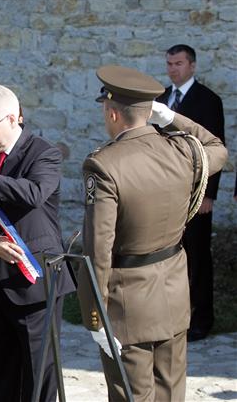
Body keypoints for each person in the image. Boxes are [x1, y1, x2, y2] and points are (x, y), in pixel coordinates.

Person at [77, 65, 227, 402]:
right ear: (149, 110)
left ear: (112, 112)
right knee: (171, 394)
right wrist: (171, 117)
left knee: (133, 396)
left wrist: (94, 317)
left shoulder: (103, 165)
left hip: (128, 303)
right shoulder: (181, 151)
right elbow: (216, 147)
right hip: (173, 293)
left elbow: (98, 249)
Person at [0, 84, 75, 401]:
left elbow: (33, 194)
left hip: (35, 279)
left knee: (39, 369)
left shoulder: (43, 153)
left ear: (12, 118)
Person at [156, 44, 226, 342]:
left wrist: (209, 194)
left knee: (197, 257)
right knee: (168, 257)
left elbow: (216, 146)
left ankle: (201, 319)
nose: (173, 68)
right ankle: (172, 317)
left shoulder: (208, 100)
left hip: (196, 192)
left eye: (179, 63)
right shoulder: (160, 100)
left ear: (192, 66)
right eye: (170, 63)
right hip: (165, 195)